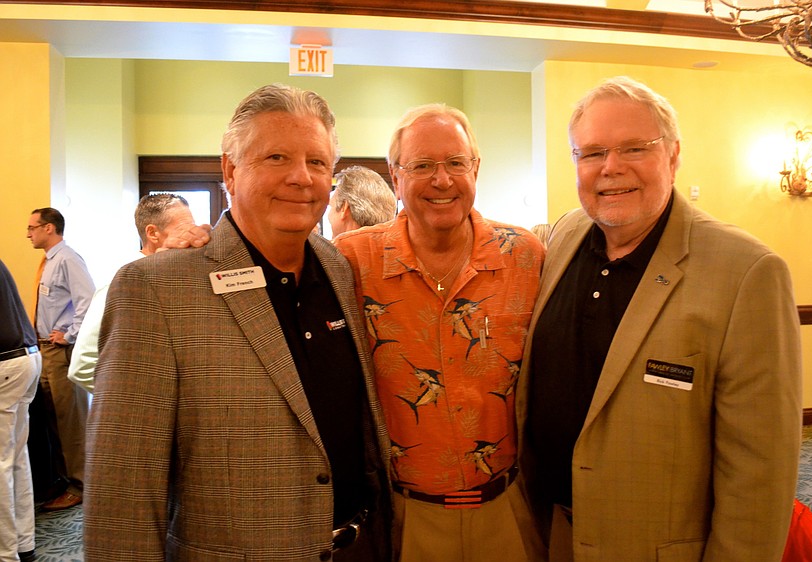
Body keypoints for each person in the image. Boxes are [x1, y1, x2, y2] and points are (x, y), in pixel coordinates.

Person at [84, 83, 393, 561]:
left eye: (317, 162)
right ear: (229, 170)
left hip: (362, 548)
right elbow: (122, 494)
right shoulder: (156, 288)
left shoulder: (338, 268)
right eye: (276, 158)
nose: (301, 178)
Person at [516, 76, 802, 561]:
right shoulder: (565, 235)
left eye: (633, 149)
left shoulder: (747, 272)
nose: (611, 168)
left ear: (672, 156)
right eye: (592, 153)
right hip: (550, 532)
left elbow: (761, 472)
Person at [335, 103, 545, 562]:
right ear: (395, 176)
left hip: (506, 509)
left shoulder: (526, 255)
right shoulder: (350, 261)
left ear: (476, 168)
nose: (442, 180)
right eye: (423, 166)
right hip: (406, 519)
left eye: (455, 163)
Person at [68, 193, 196, 393]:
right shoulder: (121, 281)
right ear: (153, 233)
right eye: (183, 230)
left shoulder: (179, 278)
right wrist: (138, 400)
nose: (192, 236)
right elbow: (82, 366)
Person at [27, 207, 95, 512]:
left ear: (50, 228)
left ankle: (81, 485)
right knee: (52, 418)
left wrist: (68, 335)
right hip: (43, 349)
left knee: (70, 421)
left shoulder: (68, 259)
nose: (28, 233)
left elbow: (88, 299)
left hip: (60, 352)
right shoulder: (50, 262)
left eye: (32, 227)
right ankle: (63, 480)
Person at [0, 259, 42, 562]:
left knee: (2, 464)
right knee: (16, 458)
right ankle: (24, 544)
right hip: (27, 358)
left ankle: (6, 554)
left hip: (5, 363)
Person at [328, 165, 397, 238]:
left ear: (344, 208)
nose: (328, 215)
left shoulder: (331, 247)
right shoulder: (396, 246)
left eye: (331, 206)